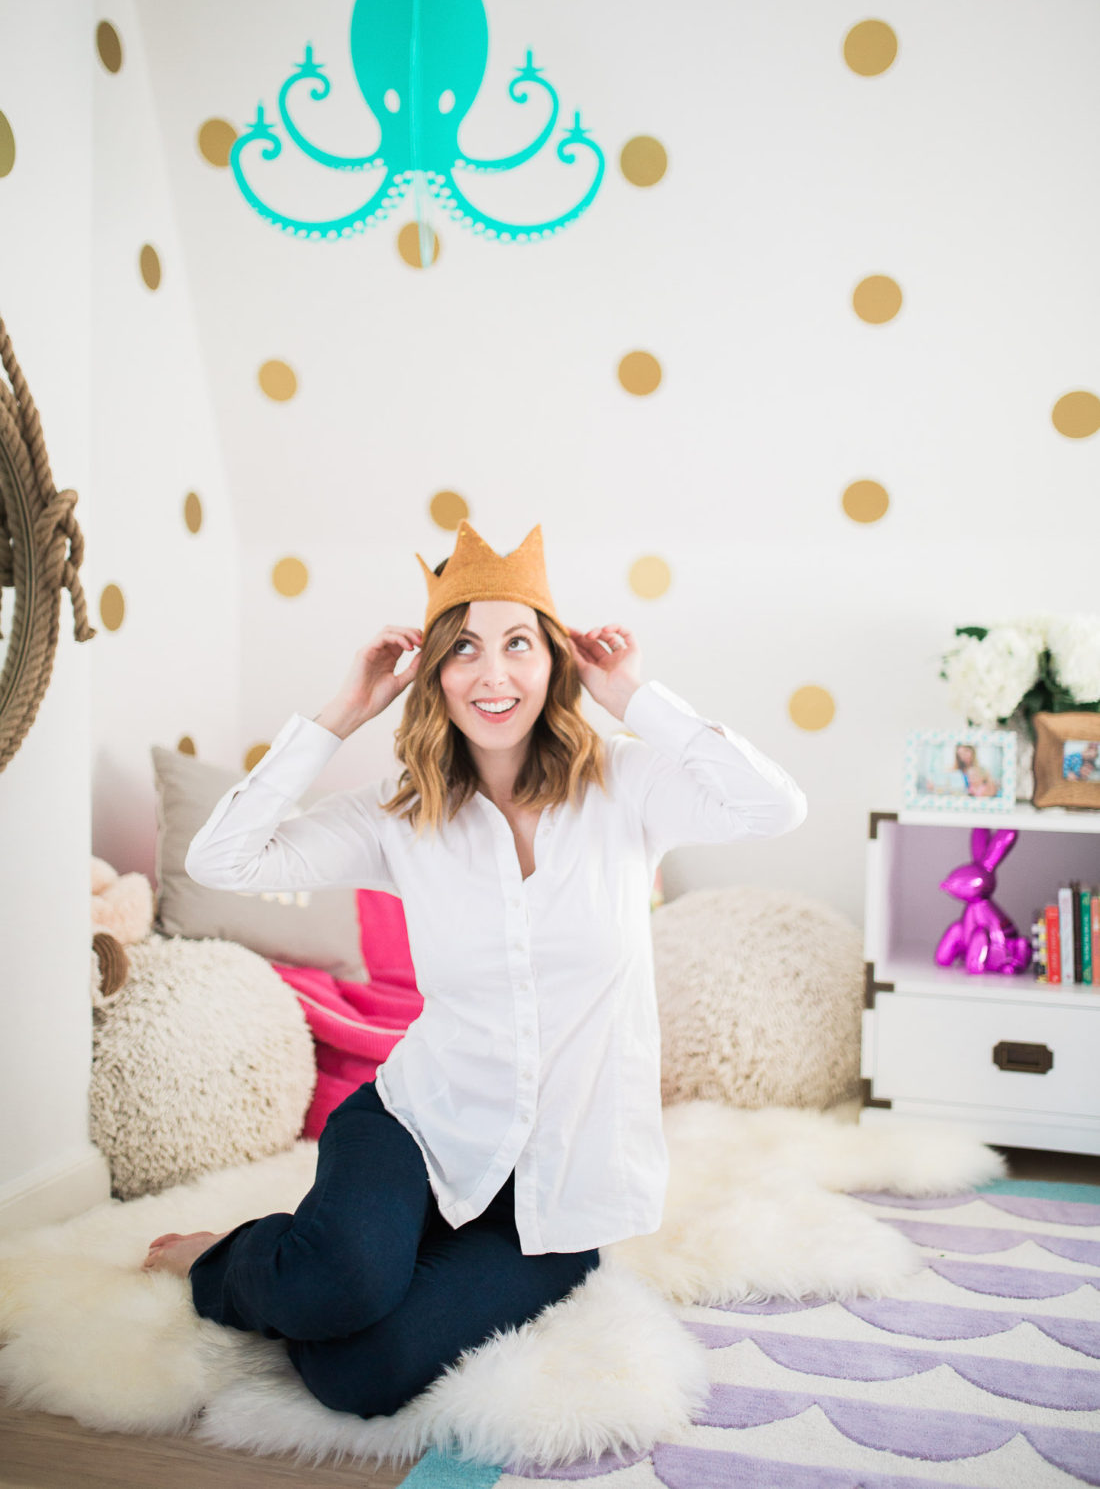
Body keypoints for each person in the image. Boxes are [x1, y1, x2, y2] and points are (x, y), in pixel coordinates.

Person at [141, 519, 807, 1420]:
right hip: (418, 1122)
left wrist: (633, 693)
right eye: (463, 650)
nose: (492, 675)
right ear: (434, 675)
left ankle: (317, 1261)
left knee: (356, 1377)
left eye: (518, 644)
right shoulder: (398, 810)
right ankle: (231, 1257)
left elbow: (774, 806)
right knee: (333, 1286)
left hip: (556, 1192)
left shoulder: (629, 785)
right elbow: (224, 859)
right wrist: (345, 712)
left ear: (553, 661)